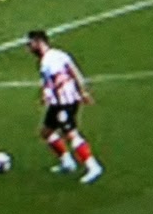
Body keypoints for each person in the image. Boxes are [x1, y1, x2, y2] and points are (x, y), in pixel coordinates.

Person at [26, 30, 103, 184]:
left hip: (65, 102)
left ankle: (93, 166)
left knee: (70, 134)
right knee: (46, 132)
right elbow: (74, 72)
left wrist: (48, 93)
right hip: (59, 102)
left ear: (39, 42)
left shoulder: (49, 61)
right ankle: (67, 162)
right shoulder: (58, 54)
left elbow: (59, 79)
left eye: (30, 44)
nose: (28, 48)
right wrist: (83, 91)